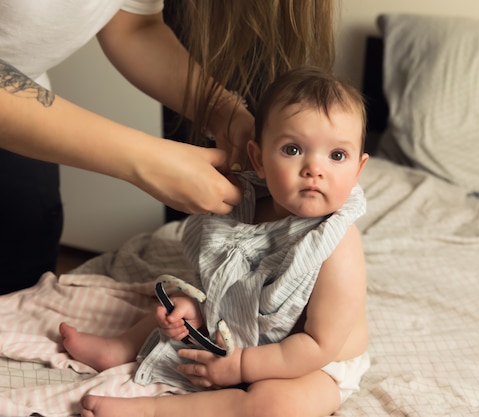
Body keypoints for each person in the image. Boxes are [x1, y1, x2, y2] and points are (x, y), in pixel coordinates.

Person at [59, 66, 370, 417]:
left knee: (272, 406)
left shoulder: (337, 243)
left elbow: (319, 344)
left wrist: (242, 367)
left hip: (310, 360)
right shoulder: (243, 210)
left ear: (358, 170)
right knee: (176, 311)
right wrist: (194, 309)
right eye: (293, 149)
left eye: (337, 156)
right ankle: (119, 347)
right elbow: (221, 286)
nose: (315, 168)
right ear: (259, 159)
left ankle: (152, 411)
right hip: (239, 331)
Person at [0, 0, 335, 294]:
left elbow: (134, 26)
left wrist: (223, 111)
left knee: (21, 279)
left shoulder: (333, 237)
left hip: (28, 115)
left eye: (338, 155)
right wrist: (144, 160)